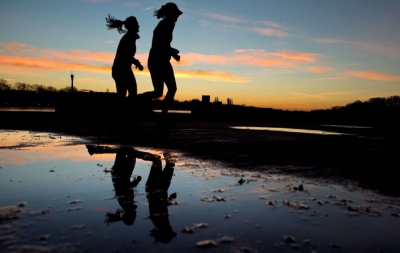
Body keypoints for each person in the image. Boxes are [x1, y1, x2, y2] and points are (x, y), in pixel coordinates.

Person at [139, 3, 182, 127]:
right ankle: (161, 118)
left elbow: (162, 45)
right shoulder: (166, 25)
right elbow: (160, 45)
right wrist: (173, 52)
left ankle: (138, 101)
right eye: (176, 14)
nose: (177, 17)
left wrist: (172, 53)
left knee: (158, 92)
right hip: (159, 61)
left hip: (157, 60)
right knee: (171, 88)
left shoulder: (165, 24)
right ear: (171, 14)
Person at [105, 14, 143, 122]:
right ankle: (123, 118)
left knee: (125, 94)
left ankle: (123, 118)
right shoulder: (129, 38)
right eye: (137, 24)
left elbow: (127, 55)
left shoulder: (130, 37)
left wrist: (136, 63)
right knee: (129, 93)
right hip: (121, 70)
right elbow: (126, 55)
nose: (139, 26)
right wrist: (137, 63)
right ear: (133, 26)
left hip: (121, 69)